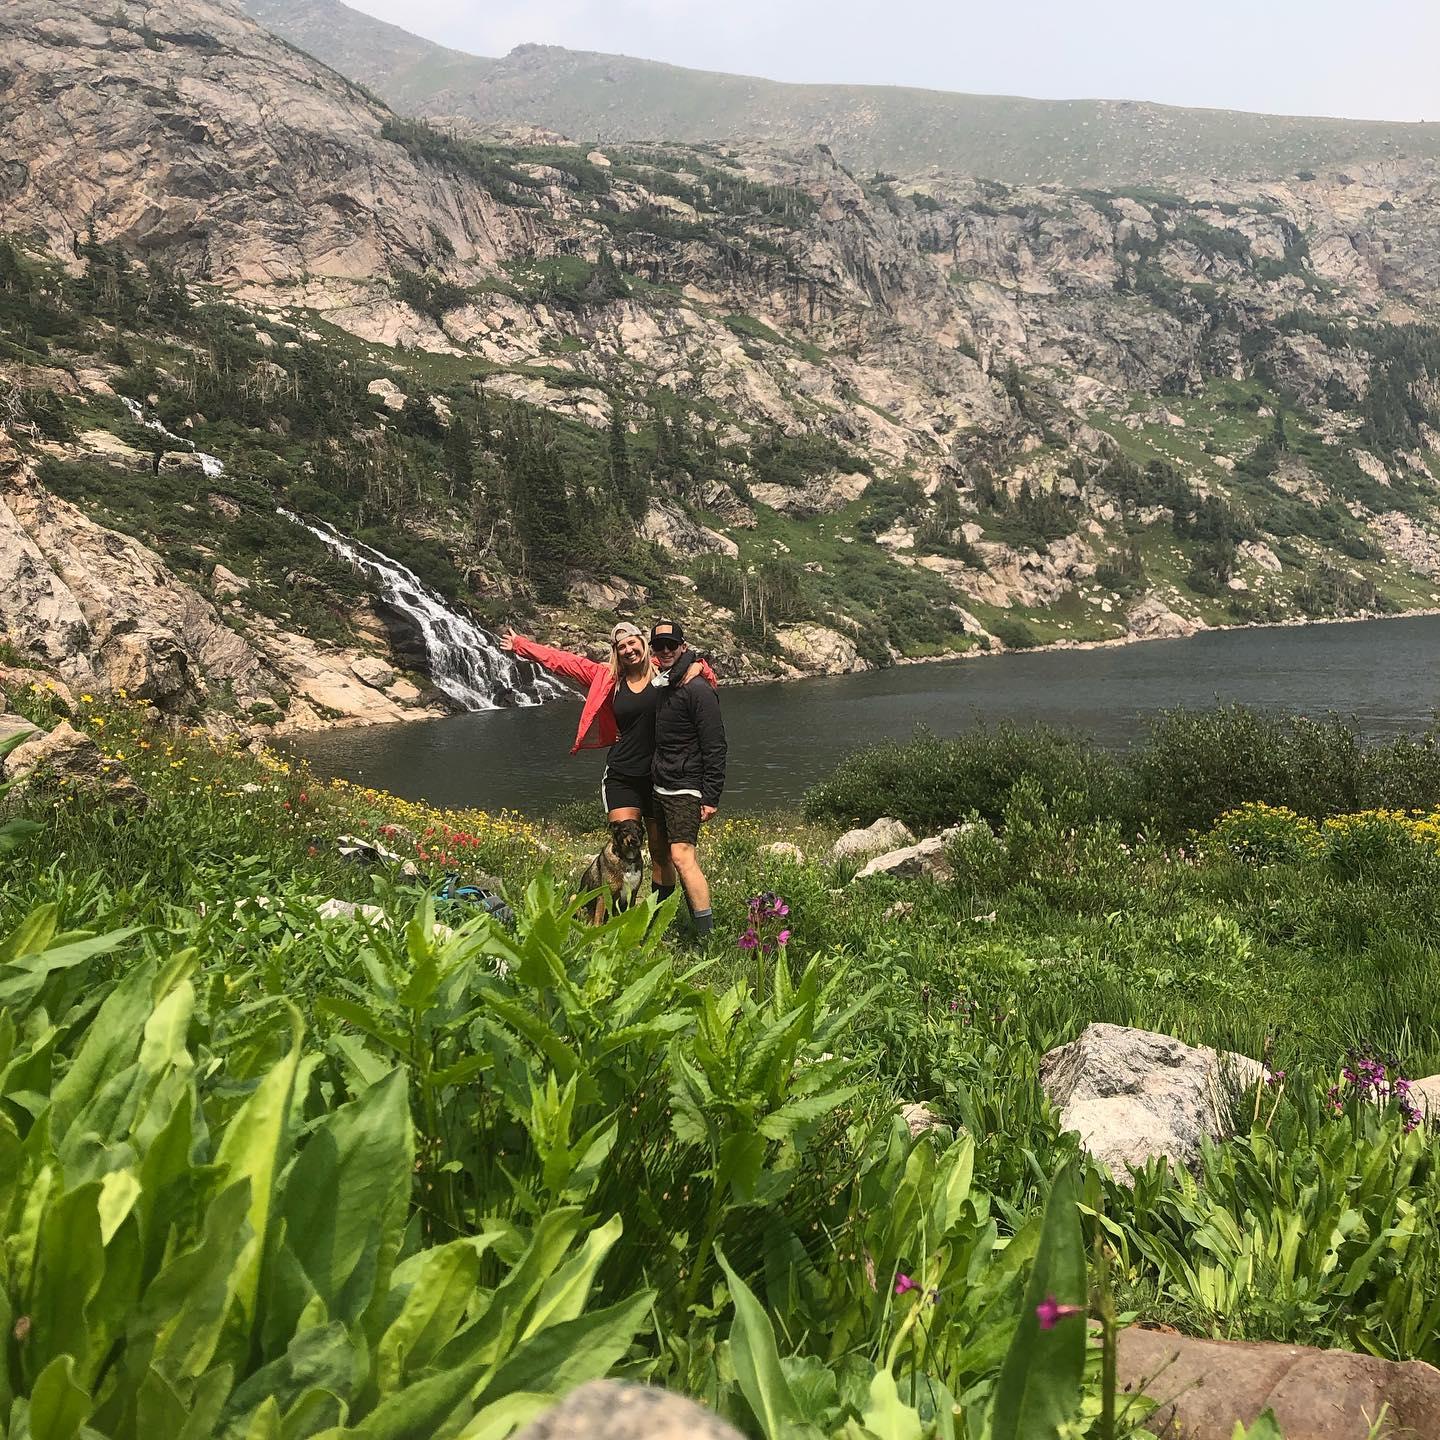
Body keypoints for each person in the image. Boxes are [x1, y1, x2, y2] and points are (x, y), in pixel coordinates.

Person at [498, 620, 707, 903]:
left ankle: (656, 916)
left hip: (660, 777)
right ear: (615, 652)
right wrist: (523, 646)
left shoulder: (667, 671)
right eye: (621, 647)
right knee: (622, 848)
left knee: (660, 853)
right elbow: (565, 662)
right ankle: (614, 914)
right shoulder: (607, 677)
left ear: (644, 644)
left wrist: (699, 667)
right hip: (622, 775)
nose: (628, 650)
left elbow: (702, 674)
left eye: (632, 643)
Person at [648, 619, 726, 939]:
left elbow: (716, 744)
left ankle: (705, 935)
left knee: (682, 857)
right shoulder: (661, 681)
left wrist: (711, 796)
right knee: (660, 856)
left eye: (671, 645)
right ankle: (658, 925)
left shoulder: (697, 689)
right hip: (658, 783)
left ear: (682, 646)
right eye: (659, 645)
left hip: (685, 786)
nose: (665, 650)